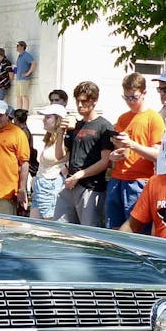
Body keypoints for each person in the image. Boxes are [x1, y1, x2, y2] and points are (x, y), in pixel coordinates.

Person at [105, 72, 165, 229]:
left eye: (134, 97)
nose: (130, 102)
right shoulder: (123, 118)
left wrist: (132, 144)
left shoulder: (153, 118)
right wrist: (115, 153)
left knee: (136, 230)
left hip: (139, 182)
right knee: (114, 229)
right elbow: (123, 151)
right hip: (117, 179)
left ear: (144, 93)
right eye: (126, 97)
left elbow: (157, 154)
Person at [54, 81, 114, 226]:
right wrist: (60, 132)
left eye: (84, 101)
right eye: (77, 101)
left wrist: (80, 175)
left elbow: (105, 161)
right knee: (59, 230)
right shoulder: (76, 125)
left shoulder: (104, 126)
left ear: (94, 101)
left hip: (91, 187)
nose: (80, 105)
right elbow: (60, 155)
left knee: (89, 234)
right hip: (70, 185)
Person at [32, 104, 68, 220]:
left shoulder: (64, 138)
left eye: (48, 117)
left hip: (52, 183)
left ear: (58, 119)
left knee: (49, 224)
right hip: (41, 182)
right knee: (34, 226)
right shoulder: (50, 137)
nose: (44, 120)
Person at [13, 41, 36, 110]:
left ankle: (25, 112)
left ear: (22, 47)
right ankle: (19, 111)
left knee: (24, 96)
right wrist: (15, 72)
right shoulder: (19, 56)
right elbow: (16, 67)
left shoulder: (26, 55)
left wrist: (28, 73)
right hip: (18, 79)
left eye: (18, 46)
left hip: (24, 79)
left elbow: (34, 63)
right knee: (18, 96)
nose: (16, 47)